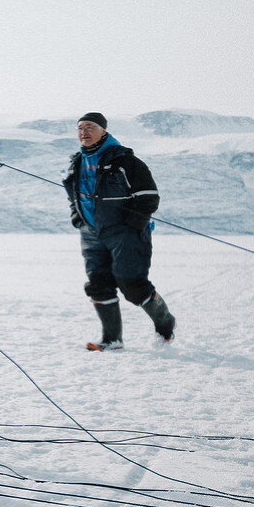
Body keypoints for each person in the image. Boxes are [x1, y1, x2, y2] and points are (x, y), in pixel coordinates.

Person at [63, 113, 176, 351]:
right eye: (80, 128)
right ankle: (112, 340)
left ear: (103, 131)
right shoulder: (76, 162)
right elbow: (73, 195)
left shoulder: (124, 160)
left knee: (133, 285)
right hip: (91, 234)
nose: (84, 132)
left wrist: (132, 225)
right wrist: (78, 218)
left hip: (125, 233)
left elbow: (148, 196)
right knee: (98, 284)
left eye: (89, 127)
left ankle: (166, 323)